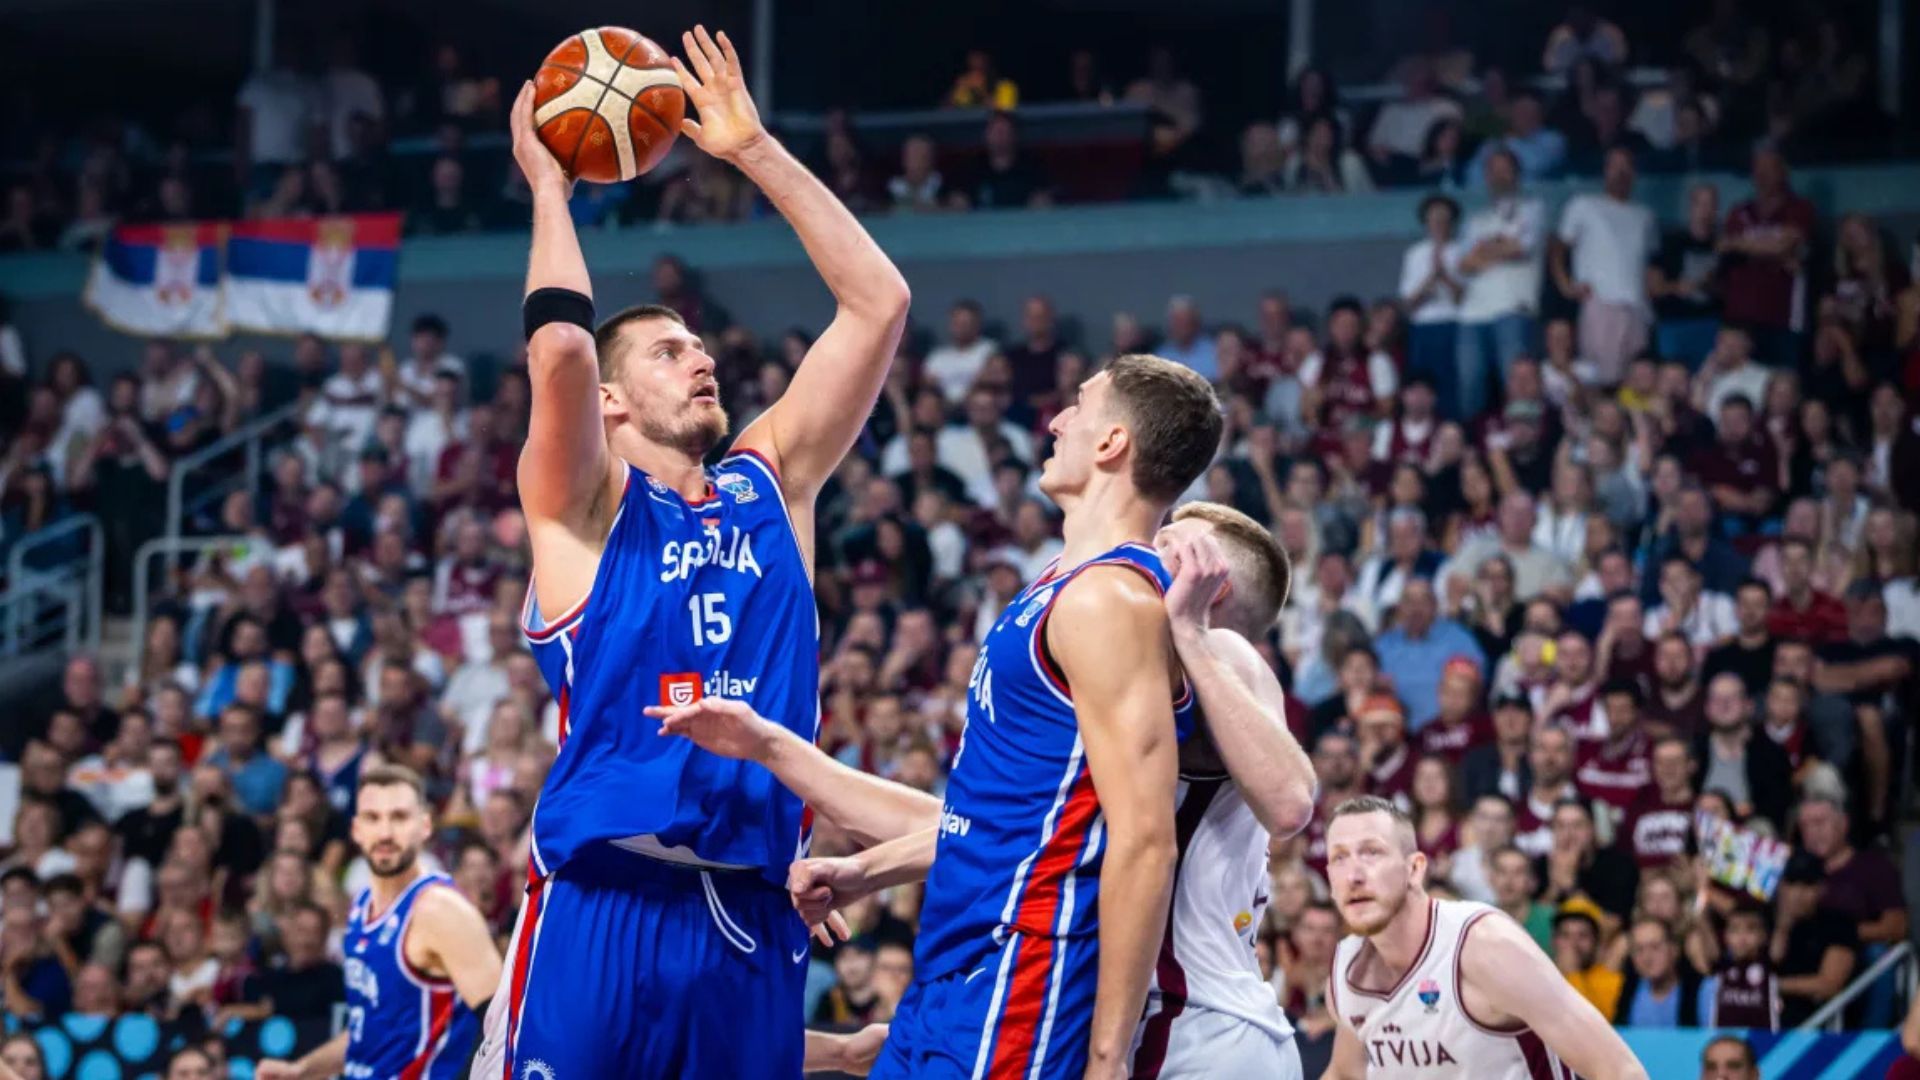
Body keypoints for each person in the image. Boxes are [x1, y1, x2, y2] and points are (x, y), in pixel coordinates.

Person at [486, 27, 913, 1079]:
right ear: (612, 400)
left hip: (754, 912)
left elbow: (880, 303)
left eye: (702, 344)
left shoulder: (773, 483)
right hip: (606, 898)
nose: (703, 356)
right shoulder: (581, 507)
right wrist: (550, 188)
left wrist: (753, 150)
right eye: (670, 351)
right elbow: (562, 346)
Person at [654, 499, 1312, 1079]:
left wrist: (1191, 629)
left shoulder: (1223, 653)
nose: (1142, 562)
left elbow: (1290, 802)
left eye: (1170, 550)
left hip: (1191, 1026)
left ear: (1212, 587)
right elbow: (989, 832)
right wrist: (860, 863)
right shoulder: (1138, 703)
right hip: (1179, 1019)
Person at [1321, 797, 1645, 1079]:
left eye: (1371, 852)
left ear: (1415, 869)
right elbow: (1346, 1073)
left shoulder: (1484, 945)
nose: (1353, 875)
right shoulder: (1347, 971)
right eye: (1339, 857)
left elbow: (1620, 1071)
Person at [256, 766, 501, 1079]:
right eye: (373, 818)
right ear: (357, 829)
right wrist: (301, 1070)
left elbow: (504, 1027)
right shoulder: (361, 906)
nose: (385, 832)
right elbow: (369, 1029)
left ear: (425, 825)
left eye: (399, 817)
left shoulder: (439, 909)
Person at [1550, 148, 1657, 385]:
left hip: (1638, 308)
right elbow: (1558, 248)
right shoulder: (1584, 205)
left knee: (1636, 384)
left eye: (1626, 166)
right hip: (1601, 302)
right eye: (1614, 166)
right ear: (1605, 171)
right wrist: (1566, 286)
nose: (1620, 172)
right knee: (1603, 381)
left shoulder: (1645, 216)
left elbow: (1648, 265)